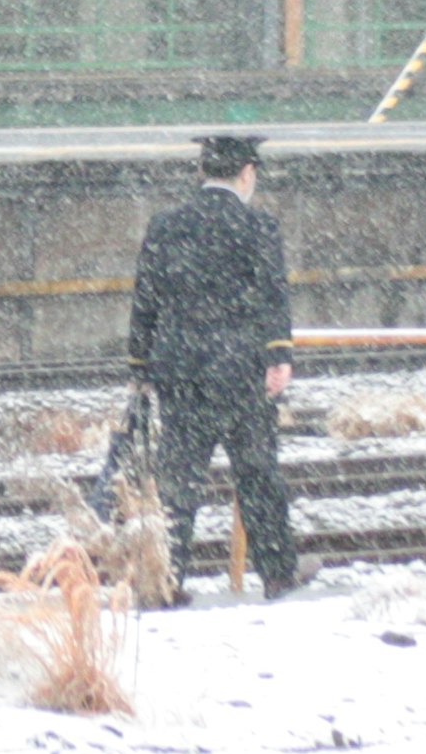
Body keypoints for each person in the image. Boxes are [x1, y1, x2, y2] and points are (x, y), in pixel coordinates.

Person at [128, 131, 306, 600]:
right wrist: (278, 355)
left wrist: (140, 364)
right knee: (257, 472)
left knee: (177, 480)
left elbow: (145, 300)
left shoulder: (165, 225)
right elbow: (272, 296)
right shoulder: (257, 226)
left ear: (201, 171)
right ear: (247, 174)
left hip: (181, 368)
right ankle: (278, 572)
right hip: (240, 368)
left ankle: (165, 579)